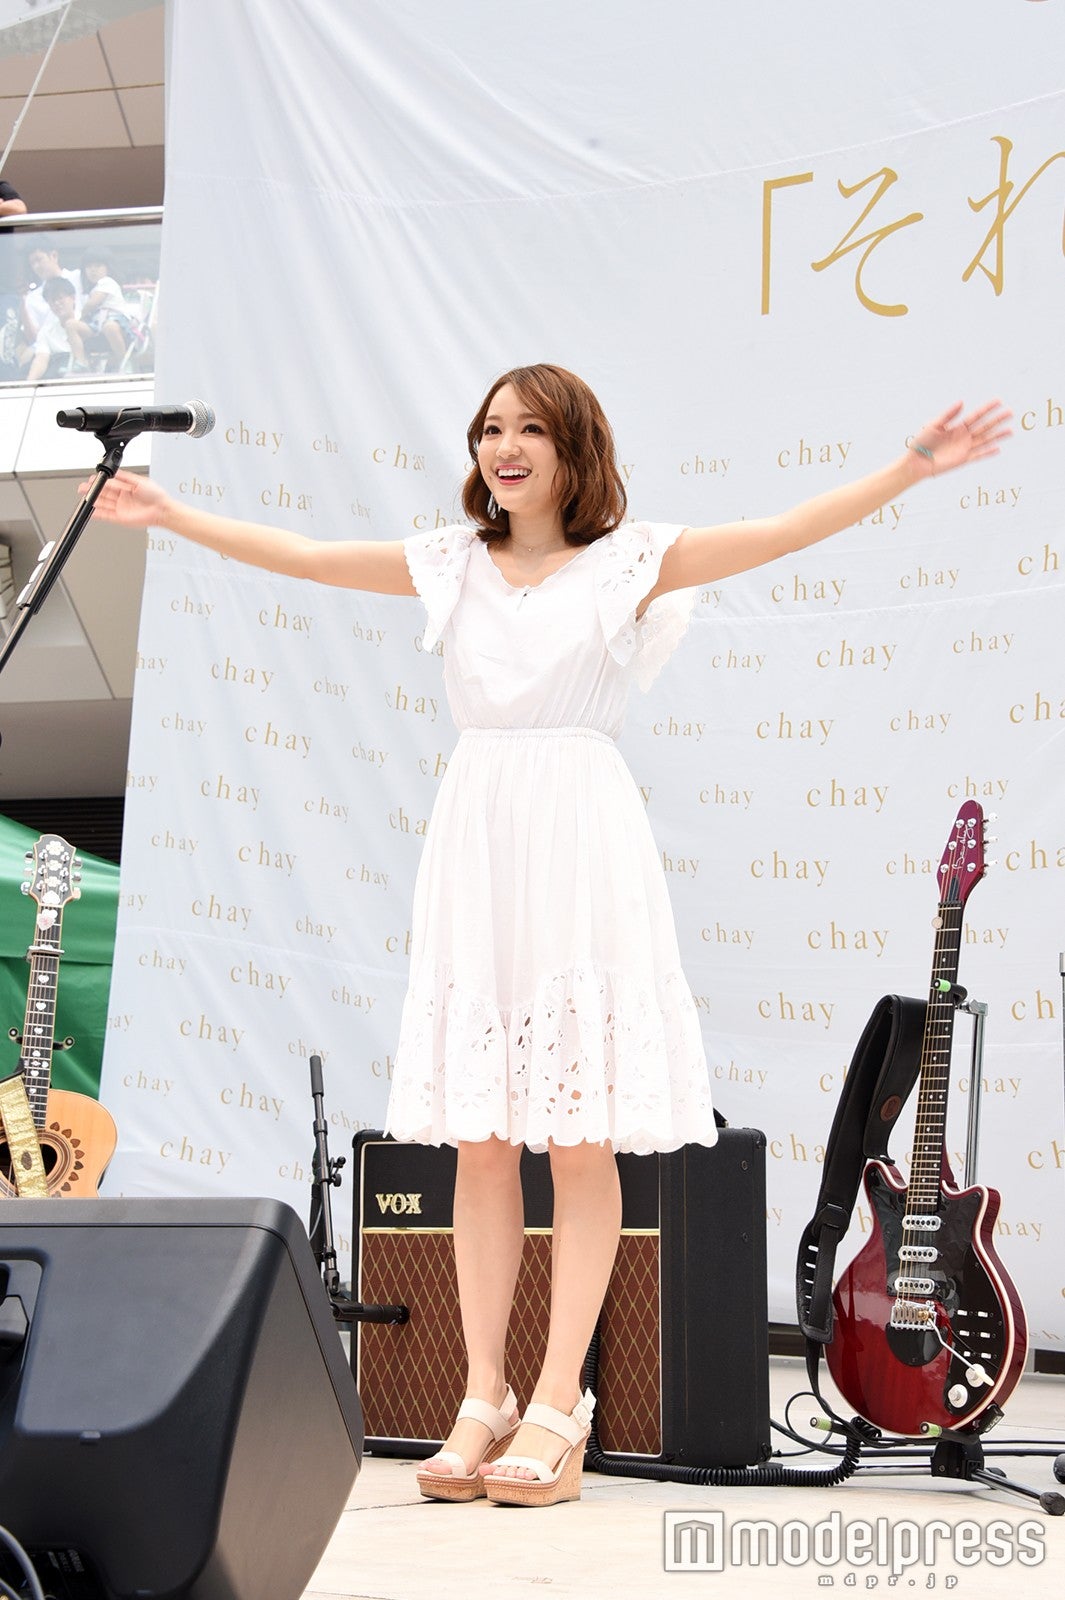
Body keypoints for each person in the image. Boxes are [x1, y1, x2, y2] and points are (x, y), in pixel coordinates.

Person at [88, 364, 1010, 1508]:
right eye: (490, 428)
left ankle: (559, 1398)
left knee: (578, 1141)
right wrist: (172, 514)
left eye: (529, 427)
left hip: (582, 846)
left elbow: (779, 532)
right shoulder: (452, 563)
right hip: (478, 842)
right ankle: (482, 1391)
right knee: (479, 1139)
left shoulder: (630, 561)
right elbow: (314, 558)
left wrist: (911, 466)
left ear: (575, 446)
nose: (504, 446)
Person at [25, 275, 88, 381]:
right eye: (52, 300)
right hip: (60, 380)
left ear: (73, 297)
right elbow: (41, 359)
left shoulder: (87, 322)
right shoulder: (46, 332)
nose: (57, 303)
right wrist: (29, 383)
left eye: (60, 298)